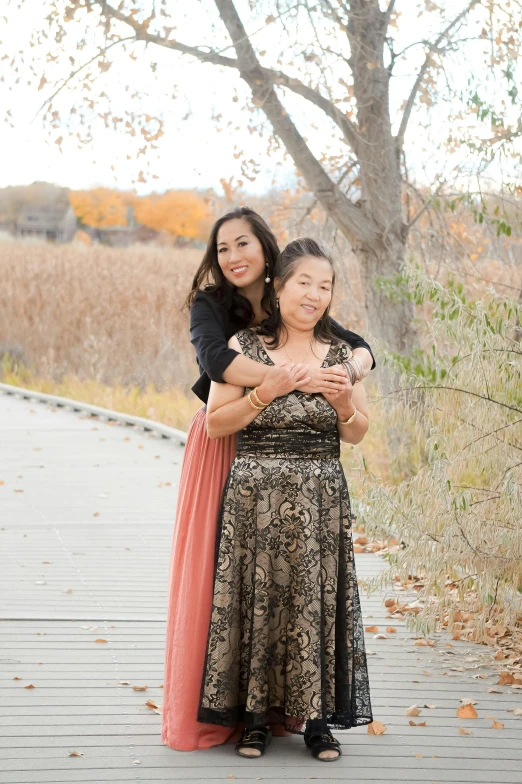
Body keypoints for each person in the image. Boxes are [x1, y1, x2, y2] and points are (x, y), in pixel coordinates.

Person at [162, 208, 375, 752]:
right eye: (223, 247)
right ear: (282, 285)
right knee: (247, 596)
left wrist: (348, 387)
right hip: (244, 479)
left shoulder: (331, 343)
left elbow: (360, 368)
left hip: (320, 497)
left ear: (267, 253)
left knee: (312, 600)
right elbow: (215, 365)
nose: (234, 257)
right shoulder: (222, 318)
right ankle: (252, 715)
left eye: (244, 245)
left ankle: (312, 716)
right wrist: (278, 385)